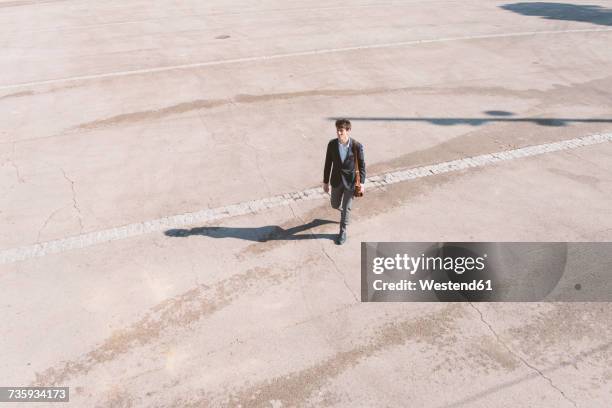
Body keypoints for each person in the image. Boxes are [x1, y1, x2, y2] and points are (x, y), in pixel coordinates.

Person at [322, 119, 366, 245]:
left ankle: (343, 231)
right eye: (337, 130)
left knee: (346, 208)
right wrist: (325, 182)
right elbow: (327, 164)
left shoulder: (356, 146)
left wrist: (362, 183)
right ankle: (344, 213)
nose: (339, 133)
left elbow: (362, 166)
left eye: (341, 131)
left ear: (348, 131)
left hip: (351, 182)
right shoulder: (332, 144)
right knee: (335, 204)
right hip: (336, 181)